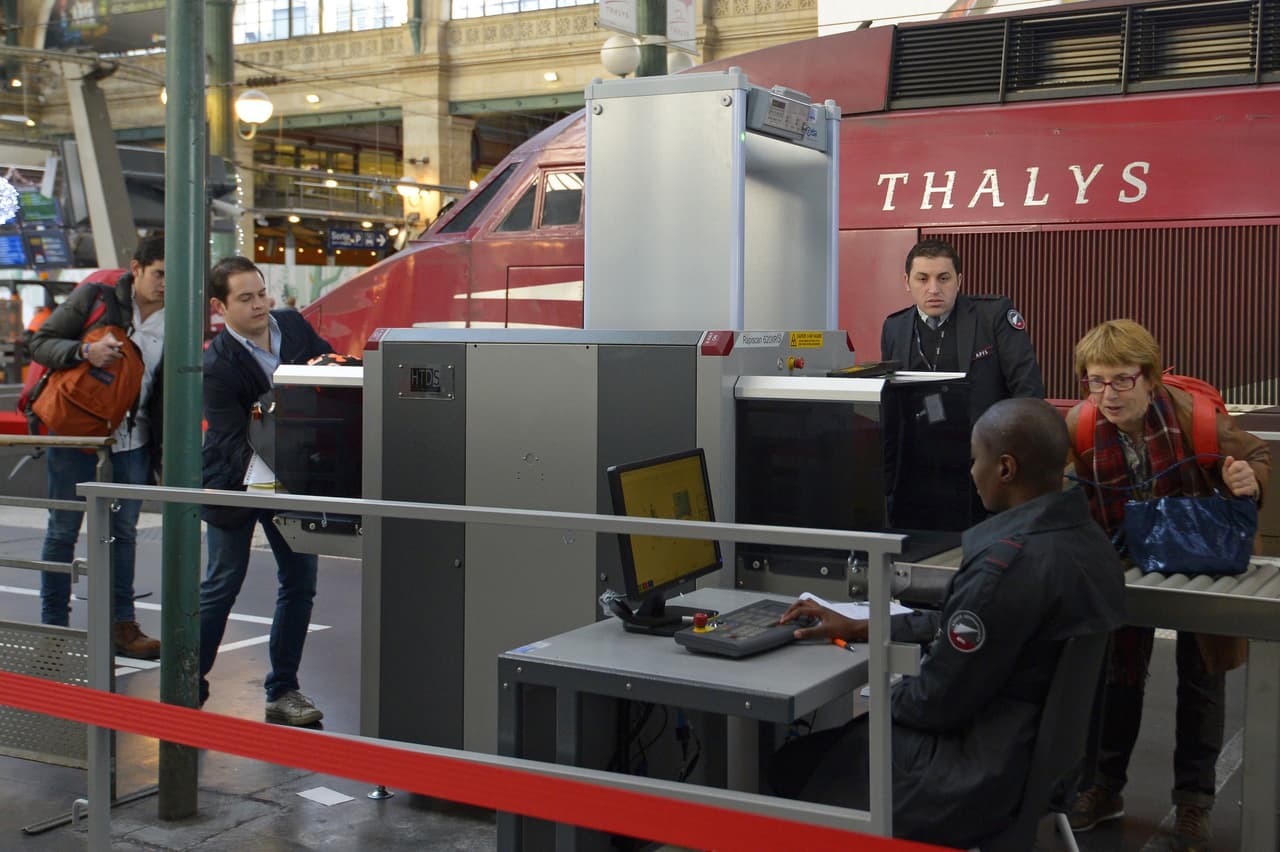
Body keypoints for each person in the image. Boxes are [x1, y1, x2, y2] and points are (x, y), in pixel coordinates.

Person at [767, 398, 1126, 849]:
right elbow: (981, 630)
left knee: (793, 764)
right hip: (1037, 766)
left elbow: (935, 700)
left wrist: (881, 698)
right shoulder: (1089, 542)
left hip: (974, 778)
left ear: (1006, 469)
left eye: (976, 460)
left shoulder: (1004, 567)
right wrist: (866, 627)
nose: (972, 473)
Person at [1065, 319, 1268, 852]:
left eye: (1121, 381)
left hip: (1201, 558)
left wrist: (1249, 479)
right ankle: (1105, 789)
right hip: (1125, 561)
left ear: (1150, 378)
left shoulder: (1195, 417)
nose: (1107, 394)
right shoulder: (1082, 425)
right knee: (1115, 678)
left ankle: (1194, 805)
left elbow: (1257, 457)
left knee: (1202, 680)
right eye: (1095, 380)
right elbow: (1068, 489)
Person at [199, 256, 334, 725]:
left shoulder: (292, 326)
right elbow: (232, 441)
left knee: (299, 584)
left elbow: (329, 368)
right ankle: (187, 685)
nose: (260, 305)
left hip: (294, 477)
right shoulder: (216, 364)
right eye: (246, 298)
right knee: (221, 585)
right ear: (220, 306)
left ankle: (283, 690)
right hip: (234, 480)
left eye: (262, 293)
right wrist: (287, 470)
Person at [30, 236, 166, 659]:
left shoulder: (180, 317)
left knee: (123, 534)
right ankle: (54, 633)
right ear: (137, 268)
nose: (166, 285)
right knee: (62, 530)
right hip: (78, 434)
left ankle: (121, 626)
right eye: (160, 274)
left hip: (133, 441)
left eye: (174, 277)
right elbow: (40, 343)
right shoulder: (97, 297)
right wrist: (84, 351)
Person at [880, 238, 1044, 422]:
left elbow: (1028, 391)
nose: (933, 289)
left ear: (958, 281)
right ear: (907, 282)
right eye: (923, 279)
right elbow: (890, 404)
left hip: (984, 444)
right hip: (918, 446)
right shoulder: (894, 328)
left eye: (943, 278)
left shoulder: (992, 316)